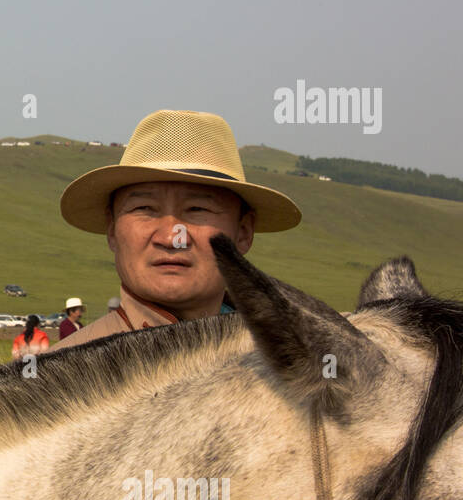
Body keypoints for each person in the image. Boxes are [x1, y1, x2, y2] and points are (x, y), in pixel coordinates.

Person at [49, 110, 301, 350]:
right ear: (112, 230)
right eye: (145, 208)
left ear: (243, 233)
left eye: (197, 209)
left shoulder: (300, 373)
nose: (171, 238)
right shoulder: (49, 384)